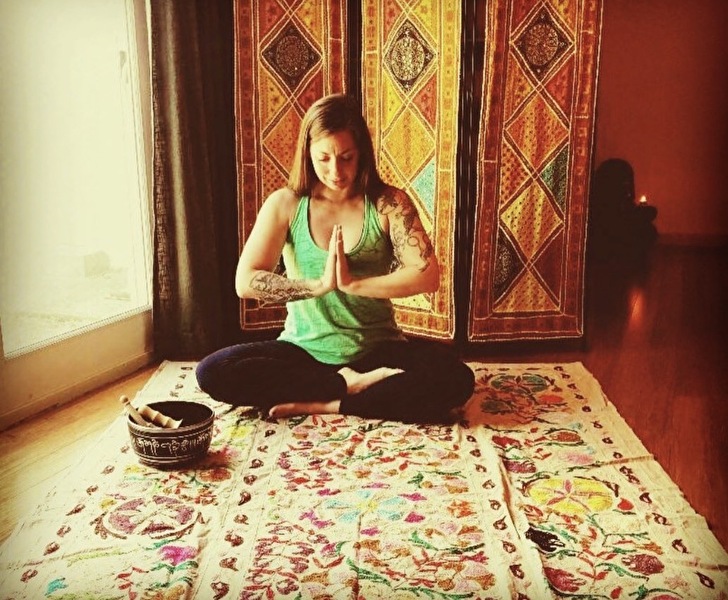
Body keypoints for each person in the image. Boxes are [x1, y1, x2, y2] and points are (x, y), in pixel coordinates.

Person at [195, 94, 474, 423]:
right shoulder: (285, 204)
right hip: (303, 352)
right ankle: (344, 387)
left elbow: (427, 275)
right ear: (307, 154)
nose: (336, 171)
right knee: (213, 371)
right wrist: (317, 286)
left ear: (362, 153)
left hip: (376, 350)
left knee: (457, 379)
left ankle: (327, 403)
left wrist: (354, 284)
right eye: (323, 158)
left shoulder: (388, 203)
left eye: (346, 157)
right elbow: (245, 281)